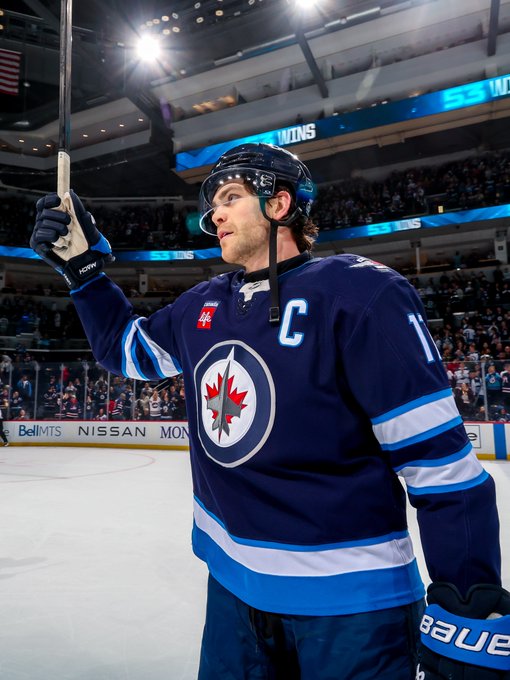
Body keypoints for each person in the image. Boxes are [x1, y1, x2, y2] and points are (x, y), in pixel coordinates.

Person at [30, 143, 509, 679]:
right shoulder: (200, 305)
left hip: (353, 609)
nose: (215, 213)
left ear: (279, 205)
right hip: (232, 590)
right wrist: (85, 273)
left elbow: (439, 467)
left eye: (231, 196)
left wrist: (467, 606)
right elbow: (127, 349)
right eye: (212, 202)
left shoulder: (362, 294)